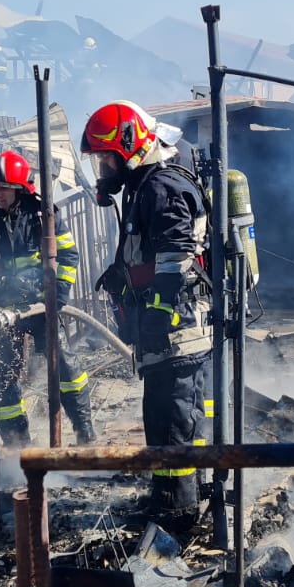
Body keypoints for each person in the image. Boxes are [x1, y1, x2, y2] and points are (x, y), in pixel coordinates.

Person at [82, 100, 212, 526]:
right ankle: (167, 497)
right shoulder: (145, 186)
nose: (104, 169)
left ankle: (180, 512)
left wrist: (157, 314)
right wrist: (121, 276)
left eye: (106, 158)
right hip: (162, 331)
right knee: (159, 415)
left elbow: (176, 257)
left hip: (178, 328)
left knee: (176, 417)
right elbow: (149, 255)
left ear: (130, 145)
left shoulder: (163, 187)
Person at [0, 150, 97, 446]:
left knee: (65, 366)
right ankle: (17, 443)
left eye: (4, 187)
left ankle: (84, 430)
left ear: (20, 188)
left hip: (40, 305)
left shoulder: (44, 214)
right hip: (2, 310)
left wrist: (56, 294)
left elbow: (68, 255)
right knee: (3, 375)